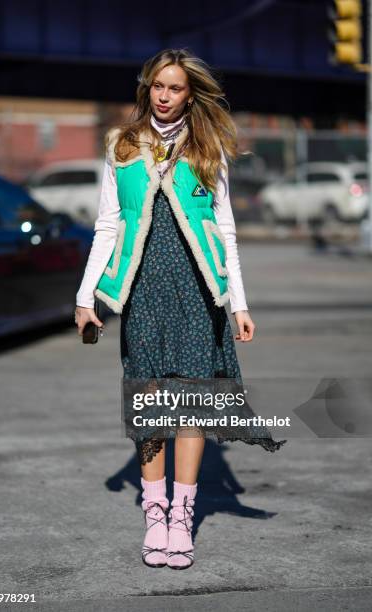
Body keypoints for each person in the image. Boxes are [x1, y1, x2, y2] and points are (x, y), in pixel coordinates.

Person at [74, 48, 286, 570]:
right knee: (149, 403)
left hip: (198, 290)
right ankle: (155, 514)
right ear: (147, 89)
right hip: (142, 291)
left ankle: (181, 519)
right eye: (157, 87)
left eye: (175, 89)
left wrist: (238, 301)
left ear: (191, 94)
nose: (164, 97)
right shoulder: (121, 144)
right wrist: (85, 296)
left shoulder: (208, 144)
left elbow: (225, 227)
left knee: (190, 403)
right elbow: (107, 224)